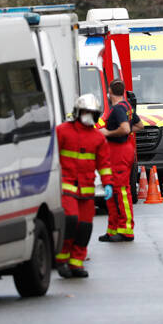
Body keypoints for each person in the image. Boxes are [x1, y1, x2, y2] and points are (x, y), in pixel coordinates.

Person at [56, 94, 113, 278]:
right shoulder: (63, 131)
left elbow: (104, 164)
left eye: (91, 113)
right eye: (85, 112)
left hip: (87, 190)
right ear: (78, 112)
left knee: (85, 227)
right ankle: (62, 260)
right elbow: (52, 157)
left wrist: (108, 184)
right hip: (67, 187)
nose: (88, 115)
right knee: (71, 221)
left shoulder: (98, 138)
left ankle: (76, 263)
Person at [98, 79, 143, 243]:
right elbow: (139, 126)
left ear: (109, 91)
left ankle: (126, 230)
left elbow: (125, 128)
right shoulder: (126, 106)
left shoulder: (117, 109)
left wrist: (108, 133)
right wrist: (126, 131)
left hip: (119, 151)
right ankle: (113, 229)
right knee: (113, 191)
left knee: (121, 191)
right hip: (123, 149)